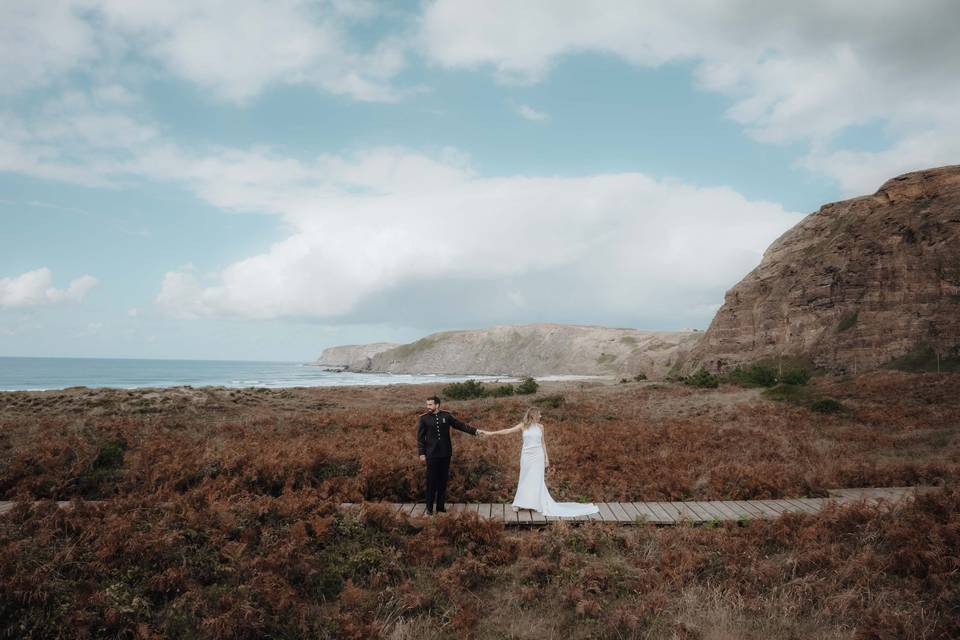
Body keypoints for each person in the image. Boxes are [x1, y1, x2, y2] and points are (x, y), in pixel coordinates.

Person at [484, 407, 599, 517]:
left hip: (538, 456)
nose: (541, 416)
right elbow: (508, 431)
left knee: (536, 479)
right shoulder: (523, 426)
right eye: (539, 414)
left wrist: (546, 458)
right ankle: (519, 503)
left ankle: (534, 503)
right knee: (524, 477)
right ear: (533, 415)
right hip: (526, 456)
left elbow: (543, 443)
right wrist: (491, 433)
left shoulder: (541, 427)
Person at [416, 395, 488, 515]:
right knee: (431, 481)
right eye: (427, 404)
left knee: (443, 481)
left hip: (445, 453)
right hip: (431, 454)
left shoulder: (446, 416)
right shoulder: (424, 419)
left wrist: (475, 431)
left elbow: (459, 425)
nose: (428, 407)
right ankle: (429, 508)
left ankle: (440, 507)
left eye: (430, 404)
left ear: (437, 405)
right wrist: (421, 453)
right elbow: (420, 437)